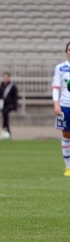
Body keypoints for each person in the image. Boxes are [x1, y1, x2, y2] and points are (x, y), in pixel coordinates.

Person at [52, 42, 70, 176]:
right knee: (66, 135)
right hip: (65, 105)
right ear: (66, 51)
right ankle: (68, 167)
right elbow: (56, 87)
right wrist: (56, 104)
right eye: (69, 50)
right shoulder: (60, 68)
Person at [0, 72, 18, 139]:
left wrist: (15, 106)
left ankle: (4, 128)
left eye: (7, 77)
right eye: (4, 77)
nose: (5, 78)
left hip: (10, 104)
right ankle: (6, 130)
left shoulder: (12, 87)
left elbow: (15, 97)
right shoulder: (1, 86)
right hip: (3, 104)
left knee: (5, 112)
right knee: (4, 114)